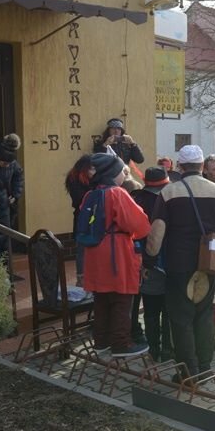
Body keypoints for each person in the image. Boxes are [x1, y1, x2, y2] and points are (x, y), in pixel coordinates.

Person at [146, 145, 215, 380]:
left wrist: (149, 261)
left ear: (180, 166)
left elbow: (156, 235)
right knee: (204, 316)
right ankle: (205, 367)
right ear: (202, 166)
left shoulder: (169, 192)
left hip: (178, 265)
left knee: (181, 318)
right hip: (209, 264)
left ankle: (188, 372)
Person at [82, 153, 152, 358]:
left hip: (94, 251)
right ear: (113, 173)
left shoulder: (90, 194)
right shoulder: (117, 194)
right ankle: (121, 344)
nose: (125, 174)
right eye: (122, 171)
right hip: (116, 251)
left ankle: (101, 341)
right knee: (121, 298)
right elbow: (140, 225)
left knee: (101, 298)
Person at [132, 167, 173, 362]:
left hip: (145, 262)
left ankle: (153, 350)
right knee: (168, 310)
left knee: (150, 310)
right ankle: (167, 350)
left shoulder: (136, 201)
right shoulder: (169, 201)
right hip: (168, 262)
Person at [65, 154, 94, 287]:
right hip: (82, 217)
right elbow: (78, 199)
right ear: (84, 168)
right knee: (81, 249)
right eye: (91, 168)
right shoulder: (74, 179)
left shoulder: (92, 178)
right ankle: (81, 279)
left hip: (93, 216)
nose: (93, 171)